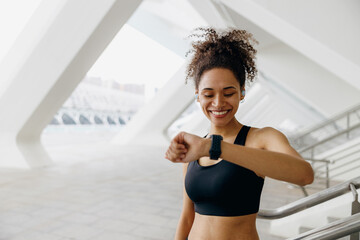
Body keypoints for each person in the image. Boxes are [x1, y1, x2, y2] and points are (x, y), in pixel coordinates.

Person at [164, 27, 314, 240]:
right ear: (198, 96)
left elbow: (305, 175)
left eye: (228, 93)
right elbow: (188, 217)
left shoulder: (262, 138)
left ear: (242, 92)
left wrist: (214, 147)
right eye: (208, 94)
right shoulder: (195, 149)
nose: (218, 103)